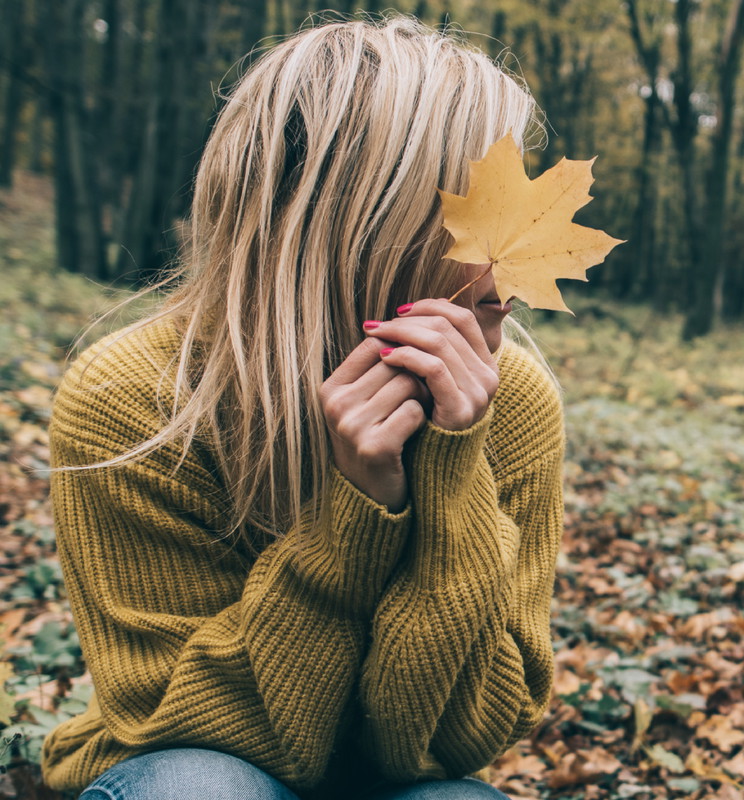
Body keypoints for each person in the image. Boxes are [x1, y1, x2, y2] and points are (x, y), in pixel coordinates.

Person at [42, 15, 564, 800]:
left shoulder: (511, 401)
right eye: (491, 211)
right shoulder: (133, 399)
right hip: (195, 766)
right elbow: (187, 732)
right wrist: (352, 519)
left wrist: (451, 478)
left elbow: (458, 743)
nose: (522, 258)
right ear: (363, 221)